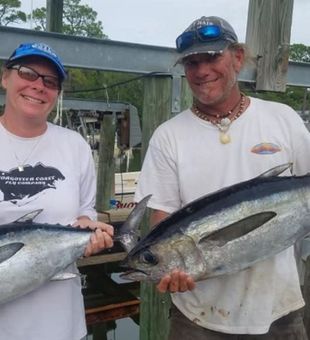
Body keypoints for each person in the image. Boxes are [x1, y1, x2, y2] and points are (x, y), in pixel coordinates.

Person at [134, 16, 310, 339]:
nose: (201, 71)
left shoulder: (283, 119)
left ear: (238, 58)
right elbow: (163, 221)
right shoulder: (168, 137)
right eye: (191, 62)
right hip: (197, 322)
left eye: (212, 57)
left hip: (279, 314)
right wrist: (166, 267)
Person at [0, 42, 114, 340]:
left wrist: (89, 230)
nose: (38, 86)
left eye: (50, 81)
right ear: (4, 77)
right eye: (27, 73)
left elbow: (84, 213)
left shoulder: (74, 145)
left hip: (61, 325)